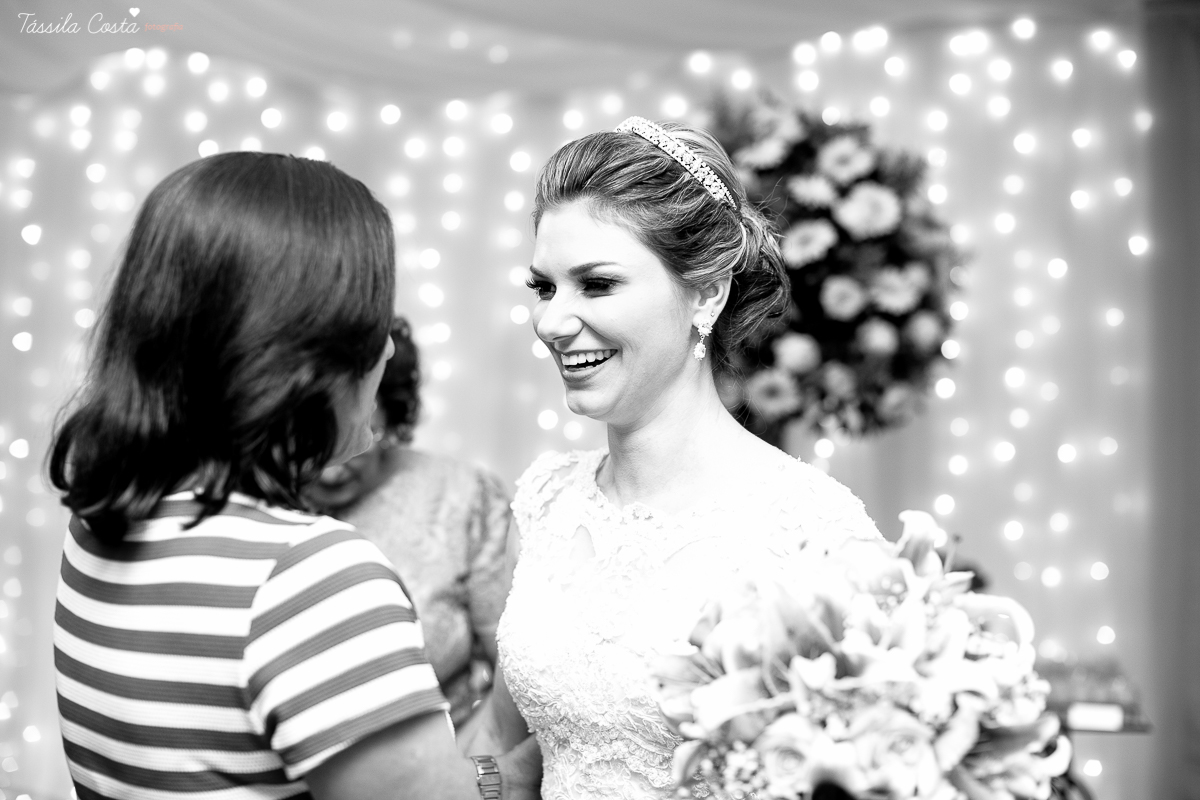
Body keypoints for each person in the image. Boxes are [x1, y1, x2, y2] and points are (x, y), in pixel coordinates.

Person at [48, 152, 539, 800]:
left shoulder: (95, 530)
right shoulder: (309, 575)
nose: (389, 347)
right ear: (306, 354)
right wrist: (519, 774)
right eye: (372, 320)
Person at [466, 118, 884, 799]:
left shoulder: (811, 531)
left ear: (706, 293)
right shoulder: (546, 501)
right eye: (544, 288)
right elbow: (507, 737)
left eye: (596, 284)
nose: (550, 322)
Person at [304, 317, 513, 727]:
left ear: (389, 415)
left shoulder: (461, 495)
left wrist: (470, 757)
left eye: (357, 442)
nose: (332, 472)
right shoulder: (250, 503)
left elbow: (513, 674)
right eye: (314, 446)